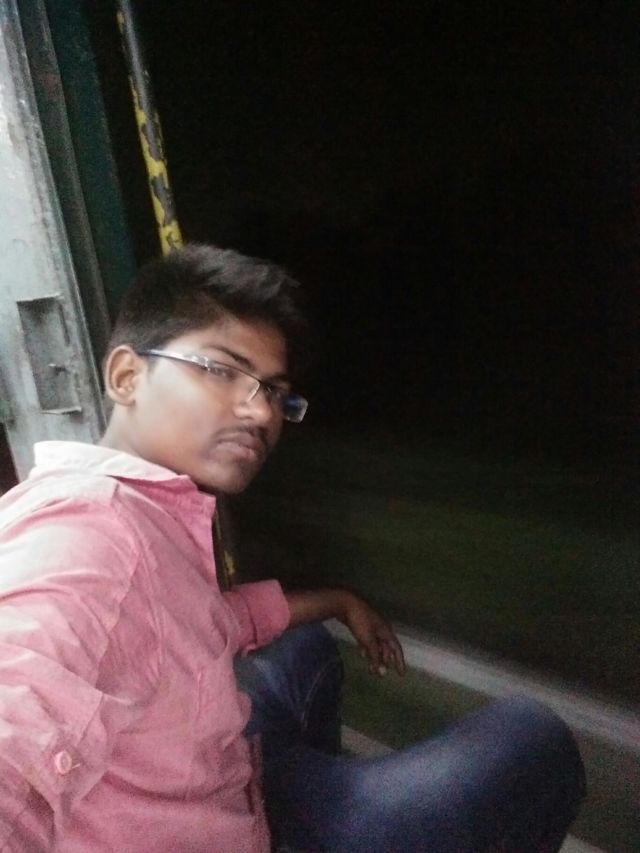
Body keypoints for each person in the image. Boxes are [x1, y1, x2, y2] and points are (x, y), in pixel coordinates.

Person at [0, 244, 584, 852]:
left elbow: (204, 622)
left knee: (304, 646)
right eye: (222, 369)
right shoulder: (85, 537)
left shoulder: (148, 517)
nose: (260, 412)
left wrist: (339, 601)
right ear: (127, 377)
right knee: (533, 738)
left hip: (232, 789)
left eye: (275, 393)